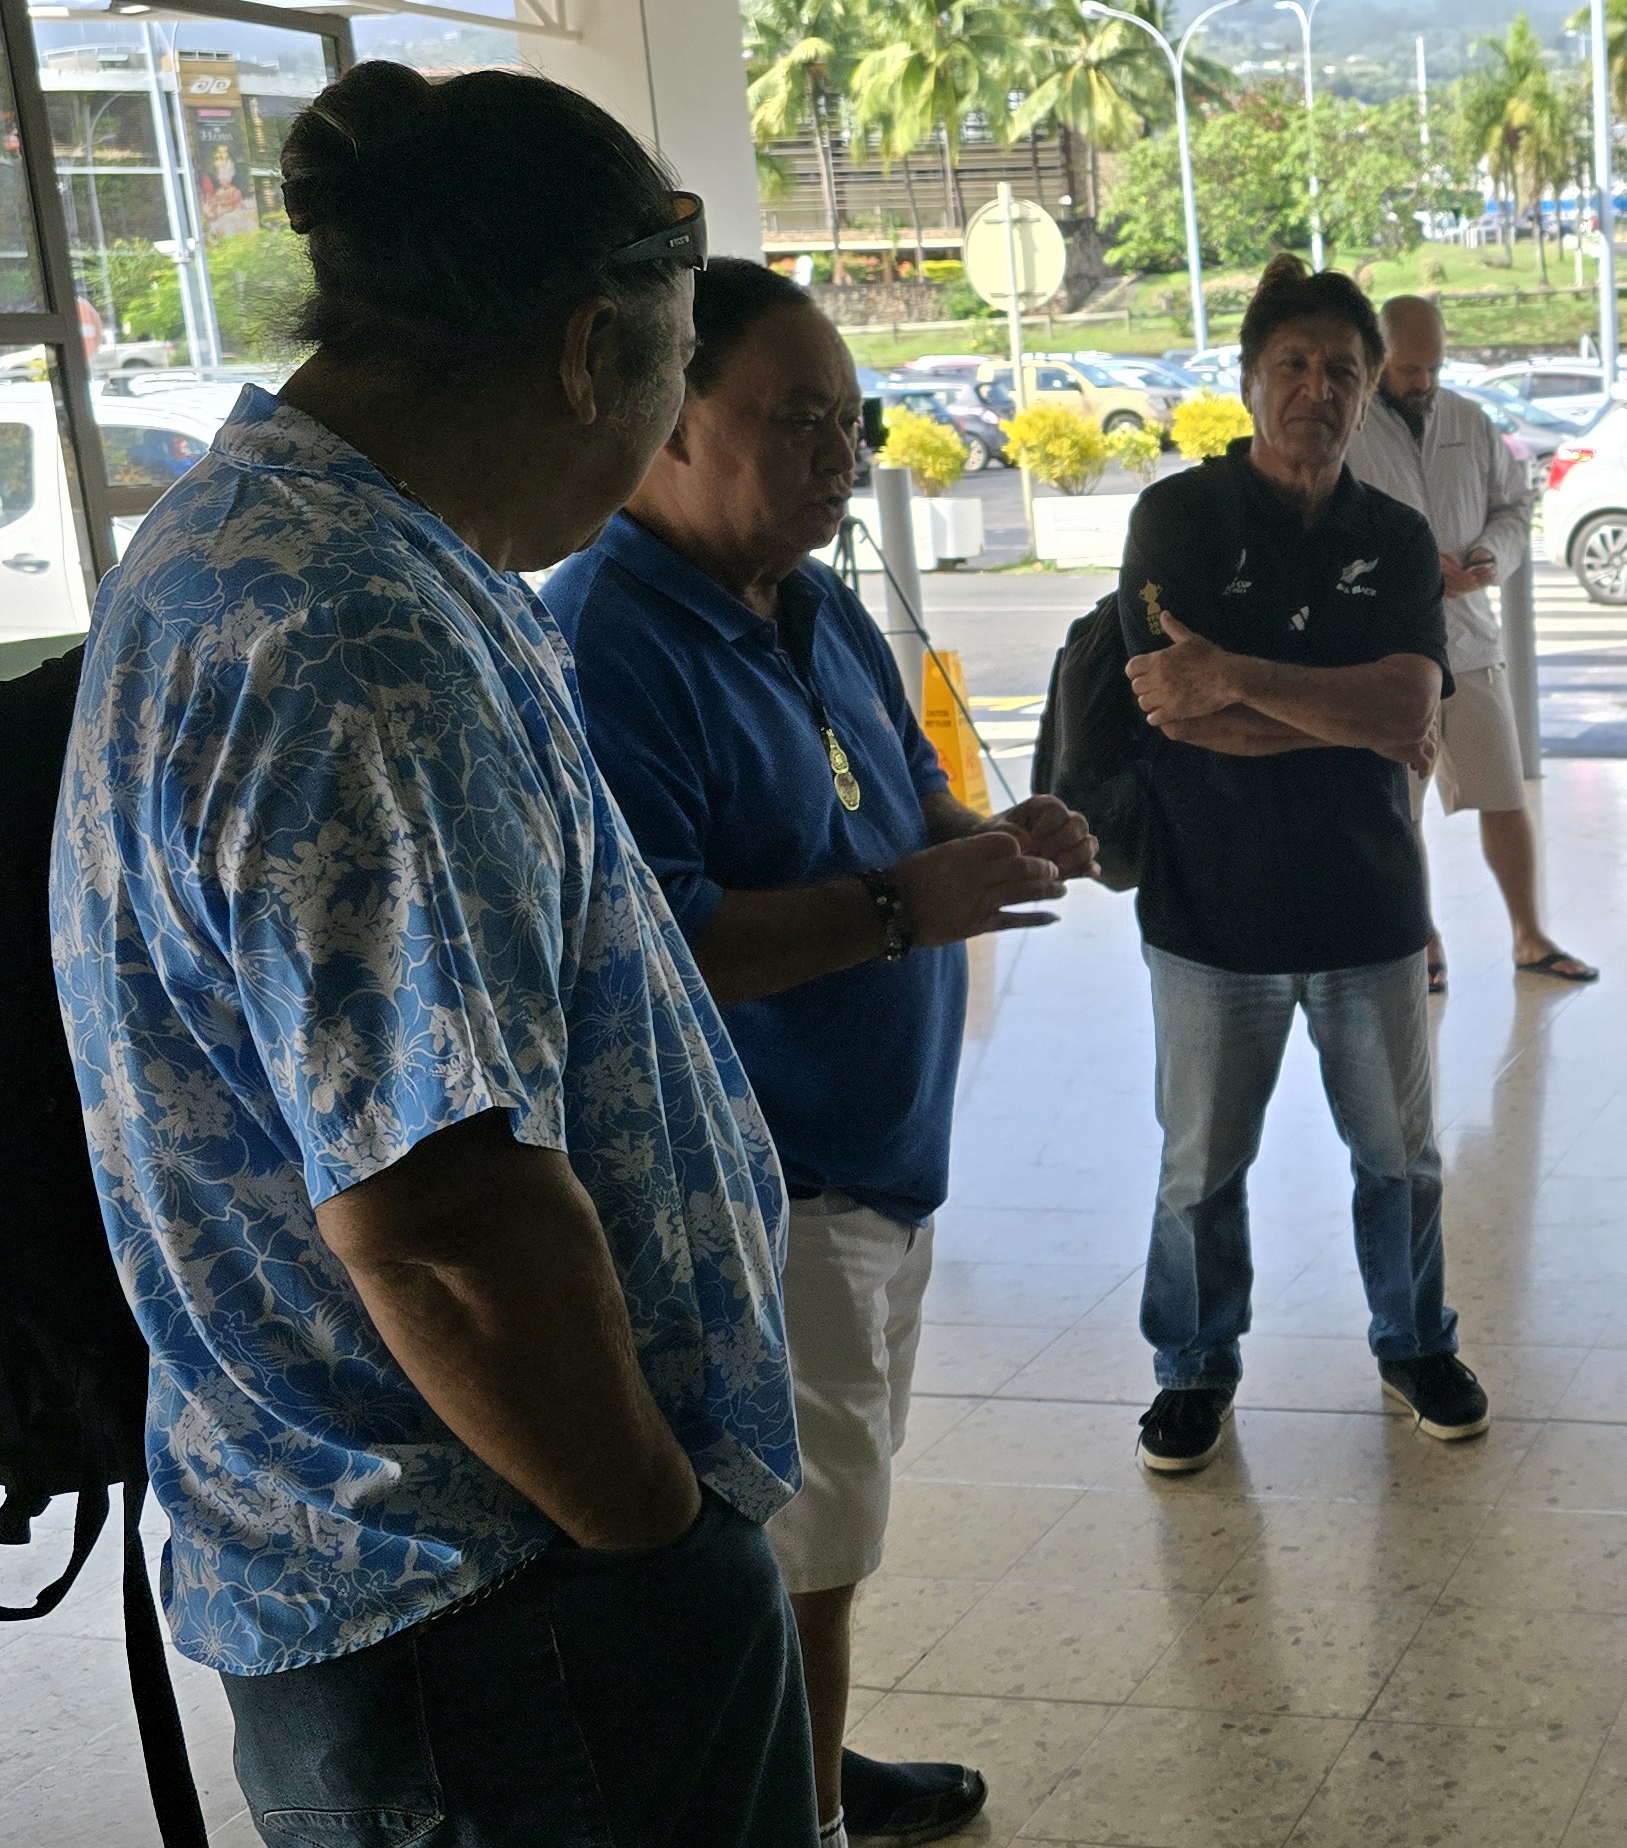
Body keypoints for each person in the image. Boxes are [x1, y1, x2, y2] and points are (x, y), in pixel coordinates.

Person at [52, 64, 818, 1844]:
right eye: (675, 358)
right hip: (500, 1622)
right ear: (581, 352)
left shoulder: (296, 543)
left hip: (451, 1589)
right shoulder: (354, 631)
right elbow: (443, 1225)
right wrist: (651, 1531)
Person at [556, 259, 1090, 1848]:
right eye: (797, 425)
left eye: (852, 426)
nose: (841, 464)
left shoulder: (807, 595)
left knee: (826, 1530)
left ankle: (810, 1757)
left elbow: (908, 794)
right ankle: (800, 1820)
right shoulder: (606, 638)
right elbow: (651, 941)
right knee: (804, 1550)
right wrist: (895, 907)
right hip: (754, 1188)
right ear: (665, 423)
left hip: (874, 1163)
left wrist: (991, 842)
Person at [1111, 254, 1488, 1473]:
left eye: (1341, 369)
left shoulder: (1395, 530)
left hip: (1367, 905)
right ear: (1248, 379)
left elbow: (1408, 711)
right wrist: (1337, 707)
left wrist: (1238, 676)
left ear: (1371, 388)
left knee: (1399, 1159)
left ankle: (1413, 1340)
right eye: (1292, 365)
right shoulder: (1177, 518)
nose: (1315, 389)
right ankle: (1193, 1365)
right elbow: (1169, 710)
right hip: (1206, 910)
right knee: (1199, 1169)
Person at [1342, 292, 1595, 990]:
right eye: (1408, 368)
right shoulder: (1349, 428)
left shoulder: (1469, 422)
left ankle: (1529, 936)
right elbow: (1335, 529)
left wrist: (1492, 555)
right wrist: (1415, 570)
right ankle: (1420, 943)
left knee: (1505, 796)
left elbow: (1514, 505)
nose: (1422, 382)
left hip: (1472, 646)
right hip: (1387, 656)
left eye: (1433, 368)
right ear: (1378, 358)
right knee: (1401, 809)